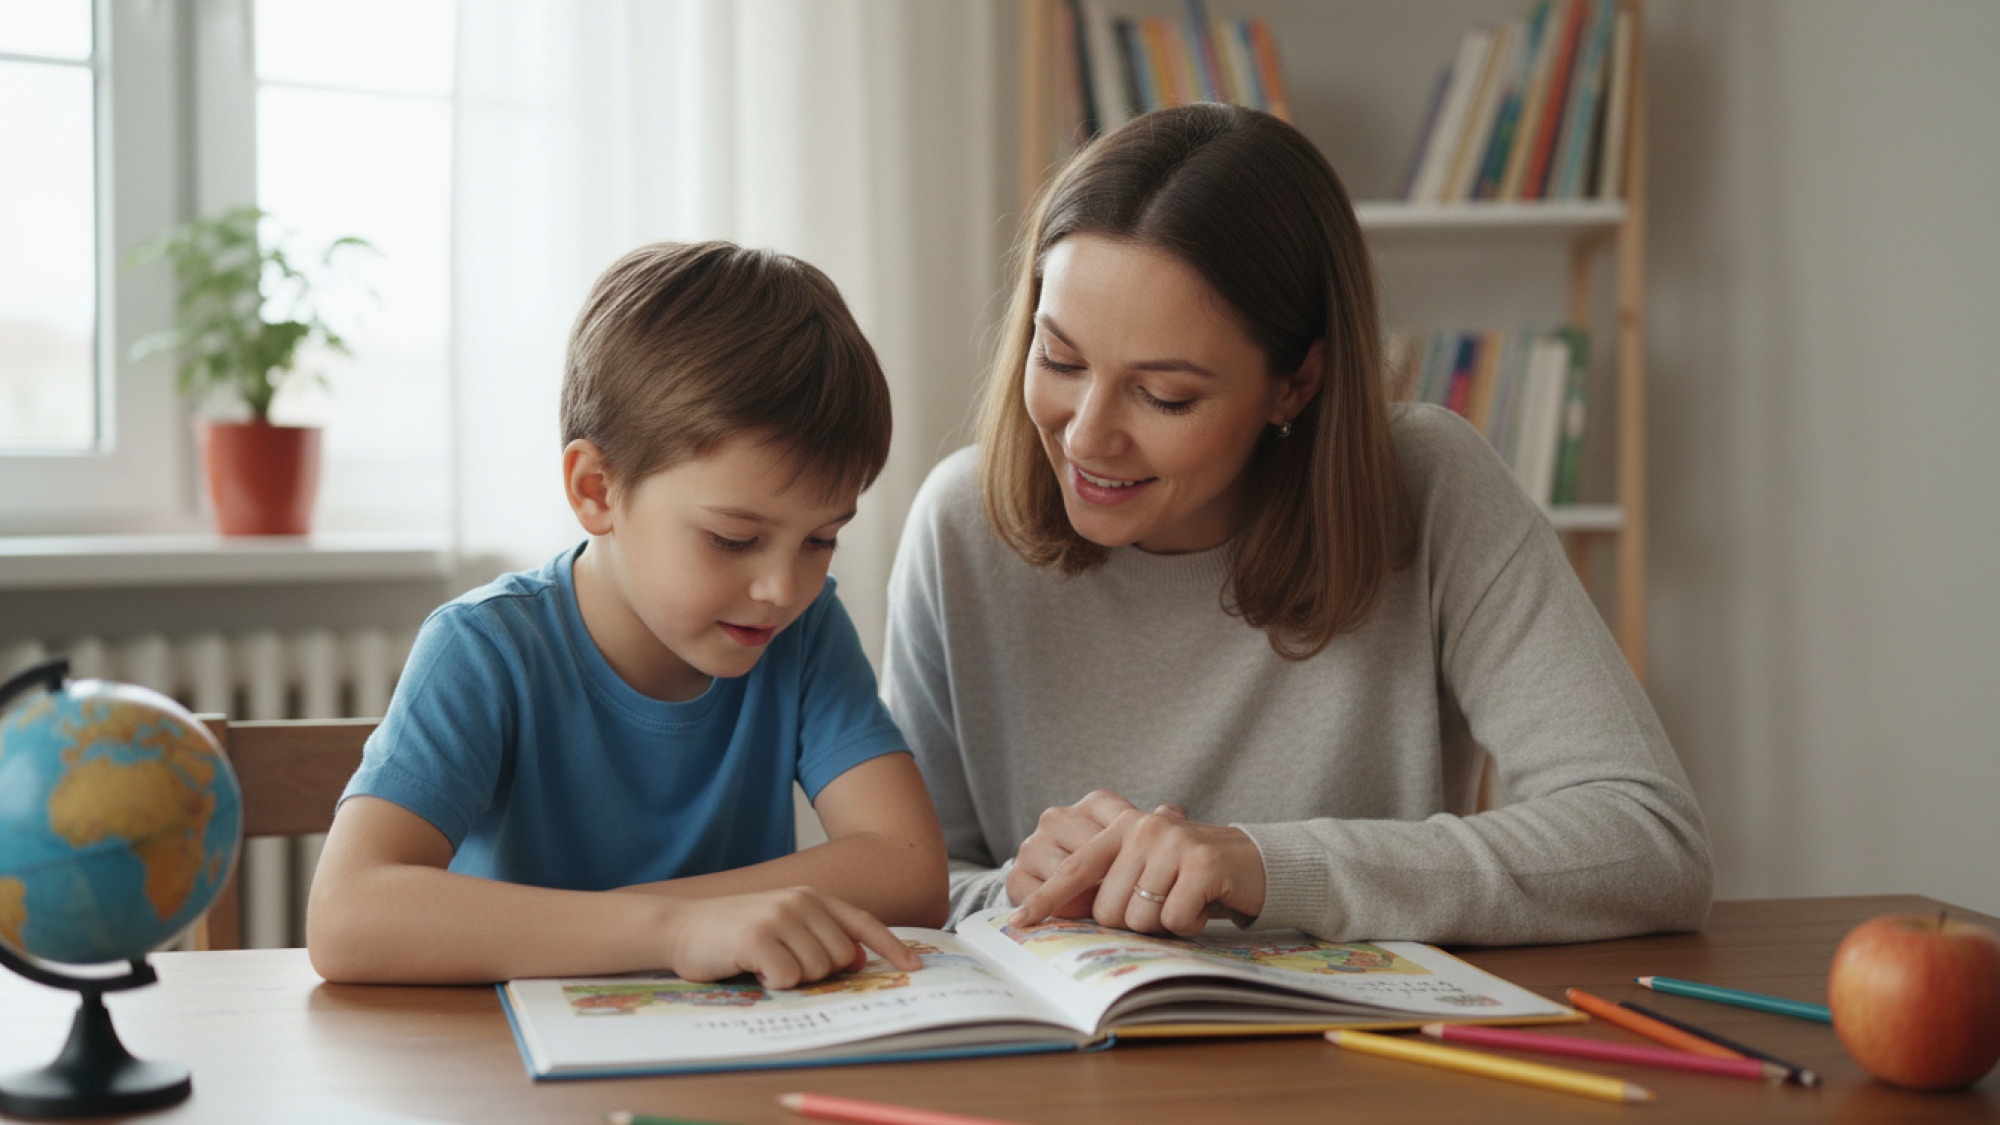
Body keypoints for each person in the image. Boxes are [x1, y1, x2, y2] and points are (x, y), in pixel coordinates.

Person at [883, 105, 1711, 946]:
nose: (1088, 434)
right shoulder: (961, 526)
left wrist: (1270, 867)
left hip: (1361, 1065)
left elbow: (1648, 842)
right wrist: (1009, 891)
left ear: (1297, 382)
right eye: (1058, 358)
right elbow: (908, 888)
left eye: (1164, 395)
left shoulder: (1428, 485)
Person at [309, 241, 946, 985]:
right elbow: (347, 914)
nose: (781, 585)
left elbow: (908, 868)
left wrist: (628, 924)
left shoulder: (801, 633)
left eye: (821, 538)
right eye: (733, 538)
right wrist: (673, 930)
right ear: (596, 490)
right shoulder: (485, 649)